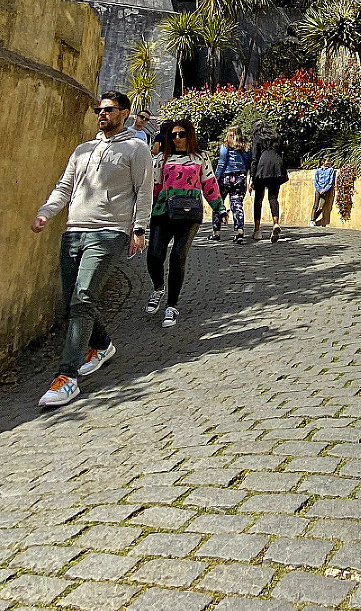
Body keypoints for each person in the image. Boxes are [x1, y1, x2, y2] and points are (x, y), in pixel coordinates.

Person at [31, 91, 153, 408]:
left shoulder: (137, 149)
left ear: (124, 113)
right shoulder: (83, 150)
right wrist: (47, 211)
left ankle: (66, 378)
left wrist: (139, 229)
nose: (102, 114)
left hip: (109, 233)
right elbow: (65, 186)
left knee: (83, 298)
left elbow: (144, 192)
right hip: (73, 231)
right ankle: (101, 345)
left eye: (109, 109)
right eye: (99, 109)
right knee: (75, 299)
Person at [147, 117, 224, 328]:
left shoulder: (200, 158)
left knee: (178, 257)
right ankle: (158, 287)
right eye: (173, 135)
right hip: (163, 212)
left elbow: (209, 183)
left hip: (189, 214)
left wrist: (219, 207)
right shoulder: (160, 159)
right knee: (154, 256)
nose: (177, 138)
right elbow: (154, 186)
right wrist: (146, 211)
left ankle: (171, 305)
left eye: (182, 134)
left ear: (189, 135)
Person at [211, 126, 251, 243]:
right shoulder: (245, 148)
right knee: (237, 204)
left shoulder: (224, 147)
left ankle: (216, 232)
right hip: (240, 177)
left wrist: (216, 178)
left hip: (226, 178)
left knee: (218, 203)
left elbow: (221, 163)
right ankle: (239, 231)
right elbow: (247, 163)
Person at [250, 120, 287, 243]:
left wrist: (252, 176)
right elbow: (282, 152)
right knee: (273, 197)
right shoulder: (276, 136)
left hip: (262, 167)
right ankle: (275, 223)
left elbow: (255, 158)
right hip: (277, 166)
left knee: (258, 198)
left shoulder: (257, 137)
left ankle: (257, 230)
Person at [310, 156, 336, 227]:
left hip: (325, 190)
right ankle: (312, 220)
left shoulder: (331, 170)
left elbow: (331, 181)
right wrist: (319, 189)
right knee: (315, 205)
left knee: (321, 207)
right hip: (318, 190)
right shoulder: (318, 171)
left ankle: (315, 218)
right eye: (328, 161)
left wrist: (325, 189)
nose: (329, 162)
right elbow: (316, 181)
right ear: (323, 162)